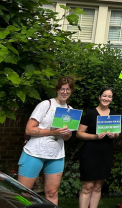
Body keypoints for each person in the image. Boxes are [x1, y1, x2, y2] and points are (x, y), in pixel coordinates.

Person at [18, 76, 75, 206]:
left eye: (67, 89)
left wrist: (66, 134)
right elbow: (29, 129)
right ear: (57, 90)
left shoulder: (70, 110)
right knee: (24, 193)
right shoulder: (46, 104)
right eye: (62, 89)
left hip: (56, 155)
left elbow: (67, 137)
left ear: (71, 91)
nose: (64, 92)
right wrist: (53, 132)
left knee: (53, 192)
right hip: (34, 153)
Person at [77, 86, 120, 208]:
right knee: (87, 187)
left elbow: (118, 134)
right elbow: (79, 133)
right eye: (104, 96)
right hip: (90, 153)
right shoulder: (90, 114)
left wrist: (114, 135)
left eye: (109, 96)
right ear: (99, 97)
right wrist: (94, 137)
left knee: (97, 187)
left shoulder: (114, 115)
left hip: (105, 154)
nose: (106, 98)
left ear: (111, 99)